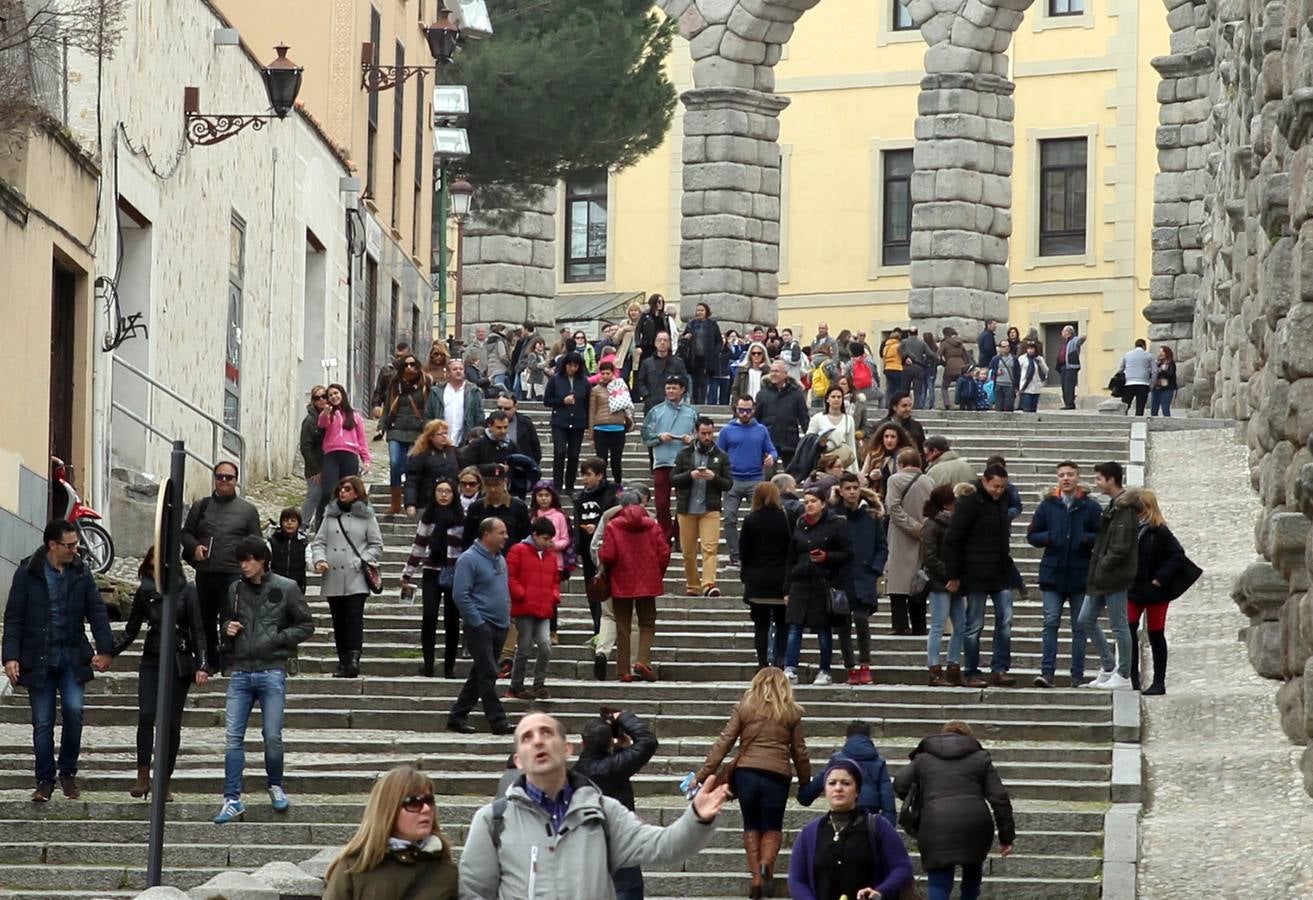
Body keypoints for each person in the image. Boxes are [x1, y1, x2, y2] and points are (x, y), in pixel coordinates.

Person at [459, 711, 727, 899]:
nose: (538, 740)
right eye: (527, 737)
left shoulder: (604, 813)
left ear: (567, 749)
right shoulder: (493, 820)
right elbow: (472, 891)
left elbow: (665, 847)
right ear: (518, 760)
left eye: (546, 733)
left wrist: (697, 818)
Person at [4, 520, 113, 801]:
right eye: (69, 545)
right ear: (52, 545)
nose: (75, 549)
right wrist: (10, 657)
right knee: (42, 722)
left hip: (71, 657)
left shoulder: (81, 573)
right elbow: (14, 617)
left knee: (74, 712)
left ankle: (67, 772)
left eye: (75, 544)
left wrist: (105, 649)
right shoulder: (28, 573)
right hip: (38, 658)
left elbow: (97, 612)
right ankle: (44, 779)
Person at [214, 535, 315, 824]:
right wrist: (227, 628)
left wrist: (279, 639)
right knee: (233, 738)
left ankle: (275, 784)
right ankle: (231, 797)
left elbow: (307, 624)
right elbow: (226, 620)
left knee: (272, 735)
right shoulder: (235, 589)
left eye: (249, 560)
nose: (244, 566)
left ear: (262, 561)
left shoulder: (287, 588)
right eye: (241, 560)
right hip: (241, 670)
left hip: (272, 669)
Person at [696, 668, 811, 899]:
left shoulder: (744, 707)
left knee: (751, 824)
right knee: (772, 826)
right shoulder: (792, 711)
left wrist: (703, 774)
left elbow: (724, 741)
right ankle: (766, 864)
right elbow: (800, 751)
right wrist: (805, 781)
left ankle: (756, 880)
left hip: (746, 773)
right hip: (777, 775)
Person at [113, 548, 209, 799]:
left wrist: (203, 664)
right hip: (152, 659)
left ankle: (164, 780)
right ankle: (143, 774)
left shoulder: (188, 591)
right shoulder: (145, 592)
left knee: (172, 724)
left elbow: (198, 629)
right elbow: (131, 629)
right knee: (146, 715)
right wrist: (109, 653)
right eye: (153, 566)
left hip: (178, 660)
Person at [894, 721, 1015, 900]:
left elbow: (899, 784)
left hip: (936, 823)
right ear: (969, 737)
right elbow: (999, 798)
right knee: (972, 872)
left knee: (939, 880)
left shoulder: (923, 759)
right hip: (975, 823)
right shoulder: (980, 757)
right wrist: (1006, 837)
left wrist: (921, 800)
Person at [323, 765, 458, 899]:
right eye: (413, 802)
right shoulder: (353, 868)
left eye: (429, 801)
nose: (426, 809)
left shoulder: (445, 871)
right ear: (389, 809)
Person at [789, 759, 914, 900]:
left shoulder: (878, 826)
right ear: (825, 790)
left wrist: (880, 892)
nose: (838, 788)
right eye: (832, 783)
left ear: (857, 791)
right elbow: (797, 879)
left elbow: (902, 868)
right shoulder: (810, 833)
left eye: (846, 783)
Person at [1027, 461, 1102, 688]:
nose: (1066, 478)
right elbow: (1033, 535)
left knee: (1080, 626)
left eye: (1070, 474)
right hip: (1053, 572)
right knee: (1050, 622)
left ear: (1078, 477)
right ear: (1057, 479)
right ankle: (1047, 672)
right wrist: (1049, 538)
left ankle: (1077, 675)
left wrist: (1085, 539)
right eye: (1062, 475)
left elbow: (1101, 534)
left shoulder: (1090, 506)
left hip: (1080, 573)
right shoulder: (1047, 505)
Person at [181, 461, 262, 668]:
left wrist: (253, 570)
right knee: (205, 618)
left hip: (235, 574)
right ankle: (210, 660)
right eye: (220, 477)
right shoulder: (201, 506)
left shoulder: (248, 510)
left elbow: (256, 542)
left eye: (229, 477)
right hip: (206, 572)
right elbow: (186, 533)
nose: (224, 481)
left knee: (231, 618)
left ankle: (229, 660)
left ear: (236, 481)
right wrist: (195, 547)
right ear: (215, 478)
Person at [942, 464, 1017, 688]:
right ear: (984, 481)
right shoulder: (969, 502)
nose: (998, 491)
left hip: (999, 570)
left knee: (1006, 619)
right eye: (995, 486)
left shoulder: (1002, 501)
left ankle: (1000, 668)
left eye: (1002, 487)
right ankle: (971, 671)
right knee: (974, 624)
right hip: (974, 572)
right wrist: (954, 574)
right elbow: (952, 541)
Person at [573, 710, 660, 900]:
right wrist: (623, 717)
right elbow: (648, 742)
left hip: (586, 843)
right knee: (627, 889)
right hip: (621, 842)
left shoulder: (575, 774)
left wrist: (621, 749)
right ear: (609, 743)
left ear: (583, 743)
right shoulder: (615, 767)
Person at [311, 476, 384, 679]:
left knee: (354, 617)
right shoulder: (330, 516)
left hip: (356, 575)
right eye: (341, 488)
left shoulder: (367, 517)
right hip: (333, 573)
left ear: (357, 492)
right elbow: (319, 542)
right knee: (338, 619)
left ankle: (353, 659)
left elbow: (376, 545)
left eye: (348, 489)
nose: (343, 492)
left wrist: (362, 560)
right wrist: (319, 560)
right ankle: (342, 660)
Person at [1128, 489, 1199, 694]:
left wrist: (1160, 579)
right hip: (1134, 589)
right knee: (1128, 630)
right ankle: (1132, 678)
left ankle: (1159, 681)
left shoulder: (1159, 531)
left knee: (1156, 633)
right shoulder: (1132, 530)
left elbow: (1177, 556)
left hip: (1155, 592)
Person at [447, 518, 514, 736]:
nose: (506, 536)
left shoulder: (500, 559)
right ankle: (497, 720)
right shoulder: (469, 559)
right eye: (501, 532)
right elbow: (460, 594)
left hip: (500, 625)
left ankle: (457, 716)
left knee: (479, 674)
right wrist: (477, 622)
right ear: (487, 535)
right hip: (480, 626)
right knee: (488, 673)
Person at [1079, 461, 1141, 690]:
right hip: (1101, 575)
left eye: (1098, 478)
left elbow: (1120, 547)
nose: (1096, 483)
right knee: (1084, 619)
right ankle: (1108, 666)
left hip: (1114, 576)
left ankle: (1123, 674)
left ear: (1111, 479)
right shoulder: (1114, 506)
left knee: (1119, 625)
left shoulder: (1125, 510)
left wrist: (1104, 565)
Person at [783, 485, 853, 686]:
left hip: (824, 582)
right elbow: (791, 558)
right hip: (800, 582)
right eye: (806, 501)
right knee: (794, 627)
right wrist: (786, 588)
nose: (809, 505)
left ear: (823, 503)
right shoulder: (799, 524)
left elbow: (847, 553)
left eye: (813, 501)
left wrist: (827, 557)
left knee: (824, 629)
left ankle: (824, 670)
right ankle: (790, 668)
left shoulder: (835, 524)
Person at [600, 491, 671, 682]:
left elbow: (608, 556)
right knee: (647, 622)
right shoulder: (652, 524)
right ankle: (642, 660)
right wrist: (657, 573)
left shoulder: (613, 525)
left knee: (623, 625)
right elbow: (664, 552)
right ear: (641, 504)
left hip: (621, 580)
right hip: (648, 580)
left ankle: (624, 671)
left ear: (622, 506)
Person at [400, 477, 464, 678]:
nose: (443, 495)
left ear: (454, 495)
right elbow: (418, 546)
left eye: (447, 491)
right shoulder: (427, 518)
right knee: (429, 615)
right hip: (431, 571)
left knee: (452, 620)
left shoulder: (462, 518)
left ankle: (449, 666)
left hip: (454, 572)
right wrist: (407, 573)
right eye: (440, 491)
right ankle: (428, 663)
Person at [832, 473, 887, 684]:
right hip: (841, 577)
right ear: (841, 490)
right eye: (848, 488)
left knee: (862, 620)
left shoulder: (871, 516)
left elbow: (882, 546)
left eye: (855, 488)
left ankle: (865, 664)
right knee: (843, 624)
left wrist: (875, 569)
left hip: (864, 575)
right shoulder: (834, 516)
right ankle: (850, 667)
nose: (852, 492)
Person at [671, 416, 732, 597]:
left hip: (710, 508)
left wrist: (714, 477)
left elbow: (728, 483)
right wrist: (690, 475)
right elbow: (673, 479)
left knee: (710, 547)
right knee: (688, 551)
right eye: (703, 433)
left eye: (710, 433)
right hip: (686, 508)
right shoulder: (684, 454)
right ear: (696, 433)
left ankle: (708, 583)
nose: (707, 437)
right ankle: (693, 585)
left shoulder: (721, 456)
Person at [718, 396, 779, 568]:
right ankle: (735, 555)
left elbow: (772, 450)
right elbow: (718, 454)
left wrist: (771, 458)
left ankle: (756, 552)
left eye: (748, 410)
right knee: (729, 518)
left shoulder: (761, 430)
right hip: (733, 481)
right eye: (741, 410)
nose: (745, 414)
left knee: (759, 519)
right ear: (735, 409)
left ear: (754, 410)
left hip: (755, 480)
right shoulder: (727, 431)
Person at [797, 722, 897, 824]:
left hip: (844, 806)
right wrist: (889, 822)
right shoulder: (878, 762)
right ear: (869, 738)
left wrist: (805, 796)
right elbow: (887, 792)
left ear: (847, 738)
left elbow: (820, 781)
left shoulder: (838, 759)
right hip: (870, 808)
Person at [505, 518, 561, 700]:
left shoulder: (550, 556)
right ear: (534, 535)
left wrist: (554, 595)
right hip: (524, 607)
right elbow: (511, 576)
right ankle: (516, 685)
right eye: (544, 538)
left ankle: (539, 683)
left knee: (545, 646)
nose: (547, 542)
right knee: (524, 647)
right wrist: (520, 594)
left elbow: (554, 580)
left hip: (543, 607)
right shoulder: (518, 550)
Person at [739, 482, 792, 669]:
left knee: (760, 626)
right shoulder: (784, 518)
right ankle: (780, 660)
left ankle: (762, 663)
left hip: (757, 580)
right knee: (782, 624)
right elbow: (789, 549)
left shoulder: (751, 520)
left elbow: (743, 551)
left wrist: (744, 575)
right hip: (780, 580)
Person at [643, 375, 699, 545]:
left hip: (684, 463)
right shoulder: (656, 411)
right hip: (662, 462)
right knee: (661, 503)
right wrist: (659, 437)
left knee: (683, 503)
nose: (671, 391)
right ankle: (665, 536)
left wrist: (692, 439)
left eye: (674, 388)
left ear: (682, 390)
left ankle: (679, 534)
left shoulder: (692, 412)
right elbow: (645, 435)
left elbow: (702, 436)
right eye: (668, 388)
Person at [375, 352, 431, 514]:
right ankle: (395, 502)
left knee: (410, 465)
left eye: (413, 364)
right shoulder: (395, 383)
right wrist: (381, 426)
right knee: (394, 463)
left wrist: (427, 428)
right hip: (396, 428)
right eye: (406, 364)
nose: (409, 367)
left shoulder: (425, 382)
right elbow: (387, 406)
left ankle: (410, 500)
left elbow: (428, 407)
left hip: (416, 430)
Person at [885, 448, 932, 636]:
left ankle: (900, 624)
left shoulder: (894, 480)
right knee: (917, 581)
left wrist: (912, 527)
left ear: (900, 464)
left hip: (900, 535)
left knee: (897, 581)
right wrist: (923, 528)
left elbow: (893, 507)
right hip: (924, 535)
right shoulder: (929, 481)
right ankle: (919, 625)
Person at [922, 484, 966, 686]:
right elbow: (929, 557)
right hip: (941, 582)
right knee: (938, 625)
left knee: (961, 625)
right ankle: (934, 669)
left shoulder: (957, 522)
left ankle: (953, 665)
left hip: (957, 581)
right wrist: (950, 576)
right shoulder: (932, 524)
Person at [575, 457, 621, 636]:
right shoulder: (580, 498)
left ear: (600, 475)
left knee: (607, 592)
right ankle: (597, 631)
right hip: (588, 552)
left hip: (606, 550)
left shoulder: (612, 495)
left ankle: (608, 630)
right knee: (593, 591)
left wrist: (599, 527)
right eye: (583, 475)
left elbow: (616, 517)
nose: (584, 479)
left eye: (588, 475)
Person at [316, 384, 372, 522]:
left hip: (350, 456)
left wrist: (366, 460)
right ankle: (321, 522)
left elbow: (362, 440)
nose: (334, 397)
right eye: (330, 395)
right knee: (328, 491)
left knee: (349, 492)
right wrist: (325, 412)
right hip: (331, 455)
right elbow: (322, 424)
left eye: (336, 393)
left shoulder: (355, 416)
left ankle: (346, 520)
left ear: (342, 394)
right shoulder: (329, 414)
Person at [543, 350, 592, 492]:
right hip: (560, 421)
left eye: (575, 366)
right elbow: (547, 401)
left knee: (574, 454)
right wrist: (562, 402)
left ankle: (569, 486)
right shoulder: (556, 379)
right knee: (559, 451)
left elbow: (588, 404)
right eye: (569, 365)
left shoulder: (584, 382)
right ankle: (557, 485)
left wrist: (589, 424)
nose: (572, 368)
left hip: (578, 422)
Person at [461, 463, 532, 553]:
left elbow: (525, 539)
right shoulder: (476, 507)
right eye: (489, 485)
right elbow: (467, 539)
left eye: (496, 484)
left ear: (504, 482)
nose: (493, 489)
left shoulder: (519, 507)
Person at [755, 360, 810, 468]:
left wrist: (809, 438)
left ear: (785, 374)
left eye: (777, 371)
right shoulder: (762, 394)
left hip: (789, 441)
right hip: (768, 441)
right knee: (768, 477)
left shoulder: (796, 394)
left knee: (791, 477)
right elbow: (756, 418)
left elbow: (804, 418)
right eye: (772, 371)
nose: (773, 374)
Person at [588, 360, 635, 485]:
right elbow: (592, 411)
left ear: (612, 373)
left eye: (607, 373)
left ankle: (618, 484)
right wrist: (591, 432)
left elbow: (627, 405)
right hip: (600, 428)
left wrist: (629, 420)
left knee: (616, 460)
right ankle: (602, 485)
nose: (605, 376)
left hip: (618, 428)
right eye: (602, 373)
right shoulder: (596, 390)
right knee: (601, 461)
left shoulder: (620, 386)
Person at [403, 419, 461, 517]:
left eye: (445, 433)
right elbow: (412, 480)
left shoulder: (453, 452)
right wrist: (410, 503)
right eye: (440, 434)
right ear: (431, 436)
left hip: (450, 501)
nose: (444, 436)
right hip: (427, 502)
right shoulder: (420, 454)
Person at [424, 359, 486, 448]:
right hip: (440, 443)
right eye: (455, 369)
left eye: (461, 369)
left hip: (464, 443)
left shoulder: (474, 392)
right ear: (448, 372)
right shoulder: (436, 392)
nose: (458, 371)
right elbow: (428, 415)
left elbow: (479, 417)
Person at [635, 331, 689, 413]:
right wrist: (646, 395)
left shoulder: (678, 363)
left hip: (672, 404)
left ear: (669, 343)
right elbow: (640, 381)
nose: (662, 342)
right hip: (651, 405)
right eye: (659, 340)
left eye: (665, 340)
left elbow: (684, 381)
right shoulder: (647, 363)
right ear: (655, 343)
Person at [807, 386, 859, 472]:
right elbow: (808, 441)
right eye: (833, 397)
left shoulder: (849, 419)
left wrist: (855, 471)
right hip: (824, 465)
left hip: (844, 464)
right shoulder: (817, 418)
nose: (836, 399)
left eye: (839, 397)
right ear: (827, 399)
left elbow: (851, 446)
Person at [860, 421, 913, 499]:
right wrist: (869, 477)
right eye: (886, 436)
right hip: (875, 498)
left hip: (899, 497)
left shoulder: (906, 455)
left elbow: (908, 479)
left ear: (898, 438)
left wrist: (884, 476)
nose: (889, 440)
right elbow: (862, 478)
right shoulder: (873, 455)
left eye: (893, 437)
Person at [298, 386, 327, 529]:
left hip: (329, 464)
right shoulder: (310, 421)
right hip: (314, 466)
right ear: (313, 401)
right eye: (317, 398)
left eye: (323, 396)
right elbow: (305, 447)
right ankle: (303, 525)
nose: (321, 400)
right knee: (314, 494)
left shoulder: (332, 416)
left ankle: (320, 526)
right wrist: (315, 469)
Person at [687, 302, 723, 404]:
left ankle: (702, 403)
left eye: (702, 310)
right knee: (694, 383)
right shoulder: (691, 324)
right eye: (698, 310)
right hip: (694, 358)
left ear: (706, 312)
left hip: (706, 359)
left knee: (704, 382)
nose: (699, 312)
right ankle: (694, 402)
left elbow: (719, 341)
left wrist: (714, 352)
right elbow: (684, 339)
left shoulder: (712, 325)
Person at [494, 393, 543, 465]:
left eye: (507, 408)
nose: (502, 411)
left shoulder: (525, 424)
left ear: (515, 407)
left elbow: (535, 448)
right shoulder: (487, 423)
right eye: (499, 408)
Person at [269, 507, 308, 592]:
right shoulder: (273, 541)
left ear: (299, 523)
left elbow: (309, 560)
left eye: (293, 521)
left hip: (297, 584)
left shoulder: (303, 542)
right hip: (276, 584)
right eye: (286, 520)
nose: (289, 523)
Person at [369, 341, 410, 417]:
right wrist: (376, 406)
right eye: (397, 356)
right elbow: (378, 391)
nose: (399, 359)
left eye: (402, 356)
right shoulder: (387, 371)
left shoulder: (415, 372)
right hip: (389, 411)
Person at [879, 392, 925, 457]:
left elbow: (921, 451)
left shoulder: (916, 427)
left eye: (910, 406)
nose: (908, 409)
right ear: (894, 407)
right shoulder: (880, 426)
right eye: (904, 406)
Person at [1118, 339, 1155, 416]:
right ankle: (1138, 422)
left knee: (1125, 406)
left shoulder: (1127, 355)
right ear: (1144, 346)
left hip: (1129, 383)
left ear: (1135, 346)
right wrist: (1152, 384)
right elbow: (1155, 371)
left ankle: (1123, 420)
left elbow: (1121, 369)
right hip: (1143, 384)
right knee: (1140, 407)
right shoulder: (1149, 356)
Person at [636, 293, 677, 361]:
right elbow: (638, 330)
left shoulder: (665, 316)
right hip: (648, 345)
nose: (660, 304)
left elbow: (668, 331)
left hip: (662, 344)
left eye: (662, 302)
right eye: (658, 302)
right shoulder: (645, 315)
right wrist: (638, 345)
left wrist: (670, 346)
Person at [938, 328, 971, 409]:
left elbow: (939, 356)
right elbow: (966, 356)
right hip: (961, 366)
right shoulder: (960, 343)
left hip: (950, 366)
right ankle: (961, 403)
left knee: (944, 387)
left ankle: (947, 403)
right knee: (960, 385)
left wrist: (944, 363)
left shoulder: (944, 343)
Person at [1055, 325, 1087, 409]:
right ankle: (1067, 403)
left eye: (1063, 331)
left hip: (1071, 367)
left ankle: (1070, 404)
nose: (1062, 333)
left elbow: (1080, 340)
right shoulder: (1064, 342)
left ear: (1068, 333)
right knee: (1064, 386)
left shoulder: (1074, 340)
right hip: (1063, 367)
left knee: (1069, 386)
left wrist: (1083, 337)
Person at [615, 299, 645, 383]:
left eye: (635, 310)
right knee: (623, 378)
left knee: (637, 380)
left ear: (639, 312)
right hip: (626, 355)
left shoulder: (643, 324)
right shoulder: (624, 323)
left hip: (638, 356)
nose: (633, 312)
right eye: (631, 310)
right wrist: (623, 329)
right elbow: (616, 340)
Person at [987, 340, 1019, 412]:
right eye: (1004, 347)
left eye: (1008, 346)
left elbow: (1017, 373)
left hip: (1010, 385)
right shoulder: (995, 359)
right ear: (1000, 348)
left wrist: (1017, 386)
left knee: (1009, 405)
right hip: (998, 385)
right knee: (998, 406)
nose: (1006, 348)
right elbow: (990, 370)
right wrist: (996, 372)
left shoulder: (1014, 359)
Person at [1017, 341, 1049, 413]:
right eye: (1029, 348)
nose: (1030, 350)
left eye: (1032, 348)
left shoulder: (1039, 359)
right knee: (1026, 408)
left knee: (1033, 409)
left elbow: (1046, 370)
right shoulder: (1022, 358)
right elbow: (1018, 371)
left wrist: (1040, 363)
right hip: (1025, 387)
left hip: (1036, 387)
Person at [516, 336, 549, 400]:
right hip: (535, 380)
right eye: (539, 344)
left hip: (543, 380)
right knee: (537, 396)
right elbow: (533, 365)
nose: (541, 346)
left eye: (543, 344)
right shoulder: (532, 355)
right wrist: (543, 365)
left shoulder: (544, 355)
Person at [1152, 345, 1178, 417]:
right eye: (1159, 351)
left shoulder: (1170, 363)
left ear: (1167, 353)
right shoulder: (1157, 363)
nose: (1160, 353)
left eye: (1162, 351)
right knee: (1154, 409)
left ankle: (1167, 424)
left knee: (1165, 408)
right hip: (1157, 388)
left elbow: (1171, 374)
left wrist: (1161, 371)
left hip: (1167, 388)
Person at [880, 329, 904, 395]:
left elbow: (881, 355)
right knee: (898, 389)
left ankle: (888, 404)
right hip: (897, 368)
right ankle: (896, 403)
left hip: (887, 368)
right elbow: (903, 356)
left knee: (889, 389)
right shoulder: (899, 345)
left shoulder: (886, 346)